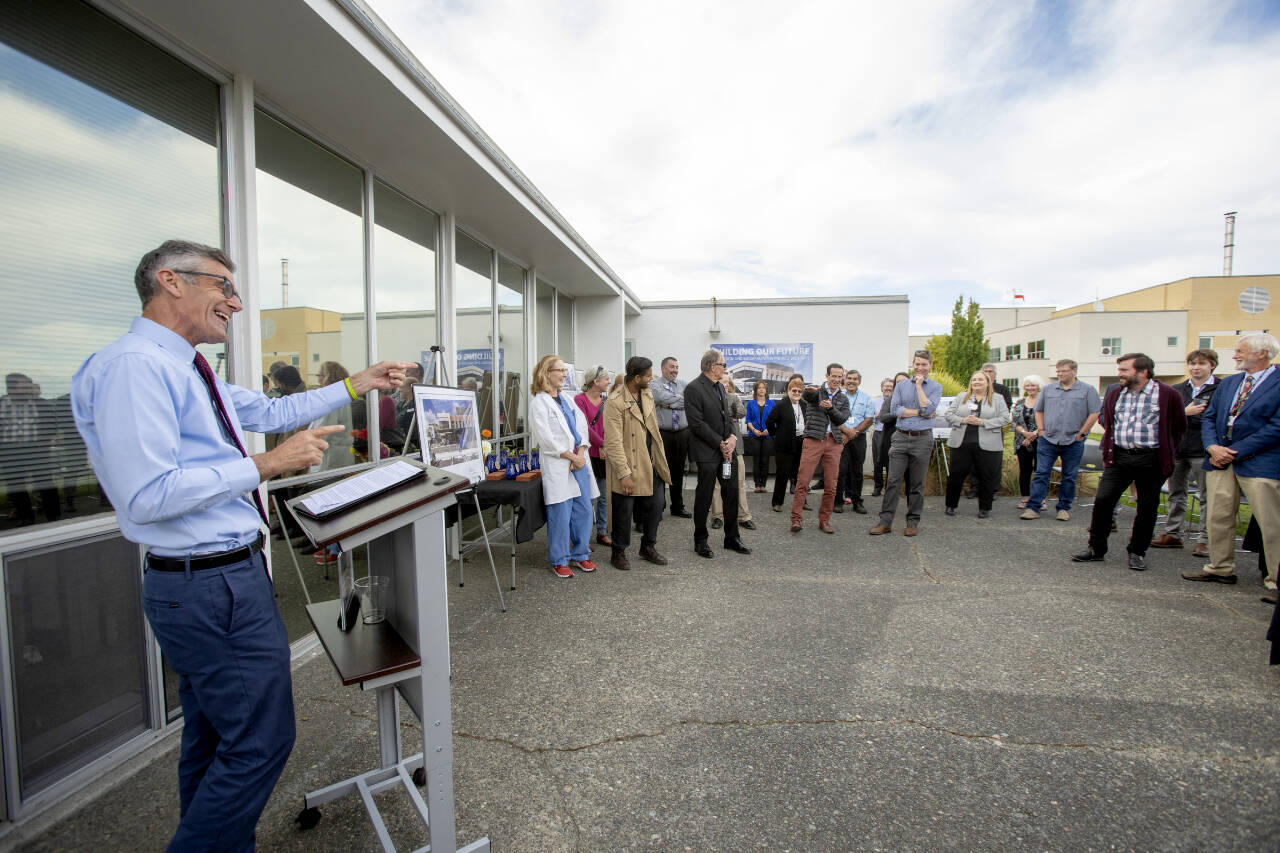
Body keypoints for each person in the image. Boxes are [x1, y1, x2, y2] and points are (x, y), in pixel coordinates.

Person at [69, 239, 409, 850]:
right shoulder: (134, 367)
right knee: (260, 739)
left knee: (216, 739)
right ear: (171, 281)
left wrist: (356, 385)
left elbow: (271, 410)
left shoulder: (191, 368)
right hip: (207, 585)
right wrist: (266, 466)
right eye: (223, 286)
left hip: (224, 579)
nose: (237, 300)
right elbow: (146, 494)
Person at [1182, 334, 1280, 590]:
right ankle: (1220, 568)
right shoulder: (1230, 383)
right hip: (1219, 460)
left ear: (1262, 353)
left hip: (1260, 462)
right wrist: (1212, 447)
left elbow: (1276, 426)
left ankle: (1276, 581)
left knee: (1271, 524)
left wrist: (1234, 451)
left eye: (1240, 350)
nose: (1234, 355)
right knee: (1218, 517)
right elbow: (1210, 417)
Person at [1072, 353, 1188, 570]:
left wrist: (1166, 451)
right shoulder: (1116, 392)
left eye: (1124, 370)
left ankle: (1137, 551)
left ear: (1143, 372)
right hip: (1119, 456)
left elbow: (1178, 427)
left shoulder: (1168, 395)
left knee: (1146, 506)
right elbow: (1107, 419)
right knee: (1104, 500)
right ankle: (1096, 548)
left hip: (1151, 459)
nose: (1119, 374)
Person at [529, 354, 599, 578]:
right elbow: (545, 439)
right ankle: (559, 559)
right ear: (545, 373)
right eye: (559, 370)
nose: (563, 374)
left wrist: (580, 452)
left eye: (563, 370)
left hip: (578, 463)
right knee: (561, 513)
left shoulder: (567, 399)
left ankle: (580, 554)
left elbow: (582, 427)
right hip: (560, 464)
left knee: (584, 510)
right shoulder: (539, 403)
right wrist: (570, 456)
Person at [602, 356, 670, 569]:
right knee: (623, 512)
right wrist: (624, 474)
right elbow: (612, 442)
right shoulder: (614, 402)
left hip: (650, 460)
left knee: (656, 506)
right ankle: (618, 551)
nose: (652, 379)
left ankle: (648, 546)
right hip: (628, 464)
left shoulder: (647, 393)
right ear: (636, 377)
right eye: (648, 375)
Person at [1151, 349, 1220, 557]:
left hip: (1204, 449)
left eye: (1201, 364)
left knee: (1207, 496)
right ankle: (1173, 533)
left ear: (1212, 366)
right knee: (1176, 493)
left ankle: (1205, 539)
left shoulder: (1221, 389)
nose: (1196, 368)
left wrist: (1185, 416)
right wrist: (1185, 413)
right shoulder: (1177, 390)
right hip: (1178, 448)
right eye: (1192, 364)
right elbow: (1163, 417)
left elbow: (1214, 419)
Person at [683, 349, 751, 558]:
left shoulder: (720, 388)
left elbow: (728, 417)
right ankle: (700, 540)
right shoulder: (694, 388)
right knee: (704, 497)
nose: (725, 367)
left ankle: (732, 538)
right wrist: (719, 442)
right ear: (713, 367)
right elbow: (696, 423)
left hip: (726, 452)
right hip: (706, 452)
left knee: (731, 494)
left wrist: (731, 438)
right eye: (723, 364)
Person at [1020, 358, 1102, 522]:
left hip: (1073, 441)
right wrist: (1041, 429)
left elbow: (1094, 412)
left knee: (1069, 475)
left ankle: (1064, 508)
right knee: (1041, 473)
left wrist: (1083, 433)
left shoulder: (1087, 390)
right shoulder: (1049, 389)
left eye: (1063, 371)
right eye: (1058, 371)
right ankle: (1034, 507)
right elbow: (1039, 410)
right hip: (1048, 440)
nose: (1060, 374)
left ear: (1074, 371)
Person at [871, 352, 942, 536]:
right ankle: (885, 522)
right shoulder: (901, 386)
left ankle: (912, 522)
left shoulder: (935, 387)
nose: (920, 367)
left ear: (930, 366)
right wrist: (920, 412)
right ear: (913, 364)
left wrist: (919, 387)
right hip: (901, 437)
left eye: (924, 364)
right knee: (893, 481)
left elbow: (930, 409)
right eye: (917, 364)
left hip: (922, 439)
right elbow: (895, 410)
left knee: (917, 484)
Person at [789, 364, 851, 534]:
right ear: (827, 376)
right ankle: (796, 519)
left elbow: (841, 419)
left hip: (834, 442)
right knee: (803, 481)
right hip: (813, 439)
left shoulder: (843, 399)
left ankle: (824, 520)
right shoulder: (817, 391)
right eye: (834, 376)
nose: (837, 380)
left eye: (840, 377)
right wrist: (812, 392)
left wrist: (830, 408)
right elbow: (808, 396)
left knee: (831, 485)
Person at [943, 371, 1011, 518]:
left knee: (987, 476)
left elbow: (1005, 418)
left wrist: (984, 423)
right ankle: (950, 505)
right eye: (974, 379)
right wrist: (963, 420)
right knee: (956, 476)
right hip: (961, 443)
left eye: (980, 379)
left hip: (988, 444)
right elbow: (948, 414)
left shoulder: (998, 398)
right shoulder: (962, 397)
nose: (976, 382)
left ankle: (984, 508)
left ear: (988, 382)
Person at [712, 374, 756, 531]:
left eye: (726, 382)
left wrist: (726, 415)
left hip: (735, 447)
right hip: (717, 447)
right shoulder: (711, 398)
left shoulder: (733, 397)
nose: (724, 384)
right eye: (721, 382)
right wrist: (729, 417)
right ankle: (717, 516)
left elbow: (742, 412)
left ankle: (743, 516)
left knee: (740, 482)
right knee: (717, 485)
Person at [574, 365, 612, 548]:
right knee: (587, 497)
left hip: (603, 455)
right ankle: (583, 537)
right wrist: (602, 443)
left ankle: (602, 532)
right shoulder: (579, 400)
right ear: (595, 382)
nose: (609, 382)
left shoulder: (606, 401)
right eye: (606, 379)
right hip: (586, 454)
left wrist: (607, 445)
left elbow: (610, 426)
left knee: (603, 496)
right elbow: (584, 428)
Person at [651, 356, 692, 518]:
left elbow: (689, 402)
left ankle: (677, 506)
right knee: (660, 471)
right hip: (663, 434)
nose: (675, 370)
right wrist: (678, 400)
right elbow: (659, 397)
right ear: (663, 368)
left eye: (676, 367)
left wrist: (668, 404)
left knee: (678, 471)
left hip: (682, 434)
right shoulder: (654, 384)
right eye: (671, 367)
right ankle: (658, 507)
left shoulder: (684, 384)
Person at [834, 369, 877, 515]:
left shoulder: (866, 398)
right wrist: (846, 432)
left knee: (857, 471)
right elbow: (832, 418)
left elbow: (869, 419)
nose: (851, 381)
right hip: (841, 438)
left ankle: (857, 502)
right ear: (844, 380)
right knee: (840, 471)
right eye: (849, 378)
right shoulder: (837, 397)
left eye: (855, 379)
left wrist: (852, 433)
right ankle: (838, 501)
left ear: (859, 381)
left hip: (858, 438)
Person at [765, 376, 805, 513]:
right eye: (794, 391)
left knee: (801, 475)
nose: (797, 394)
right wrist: (775, 435)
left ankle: (802, 501)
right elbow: (769, 422)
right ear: (788, 390)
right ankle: (777, 502)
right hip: (784, 446)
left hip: (801, 443)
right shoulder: (781, 405)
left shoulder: (804, 405)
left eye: (800, 391)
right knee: (782, 474)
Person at [1011, 375, 1045, 508]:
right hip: (1021, 441)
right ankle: (1025, 497)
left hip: (1041, 441)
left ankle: (1040, 499)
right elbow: (1014, 421)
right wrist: (1025, 434)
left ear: (1038, 387)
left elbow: (1047, 420)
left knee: (1040, 471)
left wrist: (1033, 435)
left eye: (1033, 385)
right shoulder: (1020, 402)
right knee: (1024, 470)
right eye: (1028, 385)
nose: (1030, 388)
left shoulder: (1044, 401)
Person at [873, 372, 908, 497]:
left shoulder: (914, 399)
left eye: (904, 381)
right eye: (898, 382)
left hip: (908, 438)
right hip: (890, 436)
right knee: (886, 464)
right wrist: (899, 412)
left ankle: (897, 491)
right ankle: (885, 490)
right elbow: (883, 417)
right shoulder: (890, 399)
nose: (901, 384)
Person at [744, 379, 774, 493]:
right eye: (759, 388)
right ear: (756, 390)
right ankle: (757, 484)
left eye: (763, 387)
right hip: (754, 435)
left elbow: (774, 420)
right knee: (756, 460)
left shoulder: (771, 403)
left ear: (766, 390)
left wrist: (768, 429)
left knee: (765, 460)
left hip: (767, 435)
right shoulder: (751, 403)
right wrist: (754, 429)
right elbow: (748, 420)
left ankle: (763, 484)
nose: (761, 389)